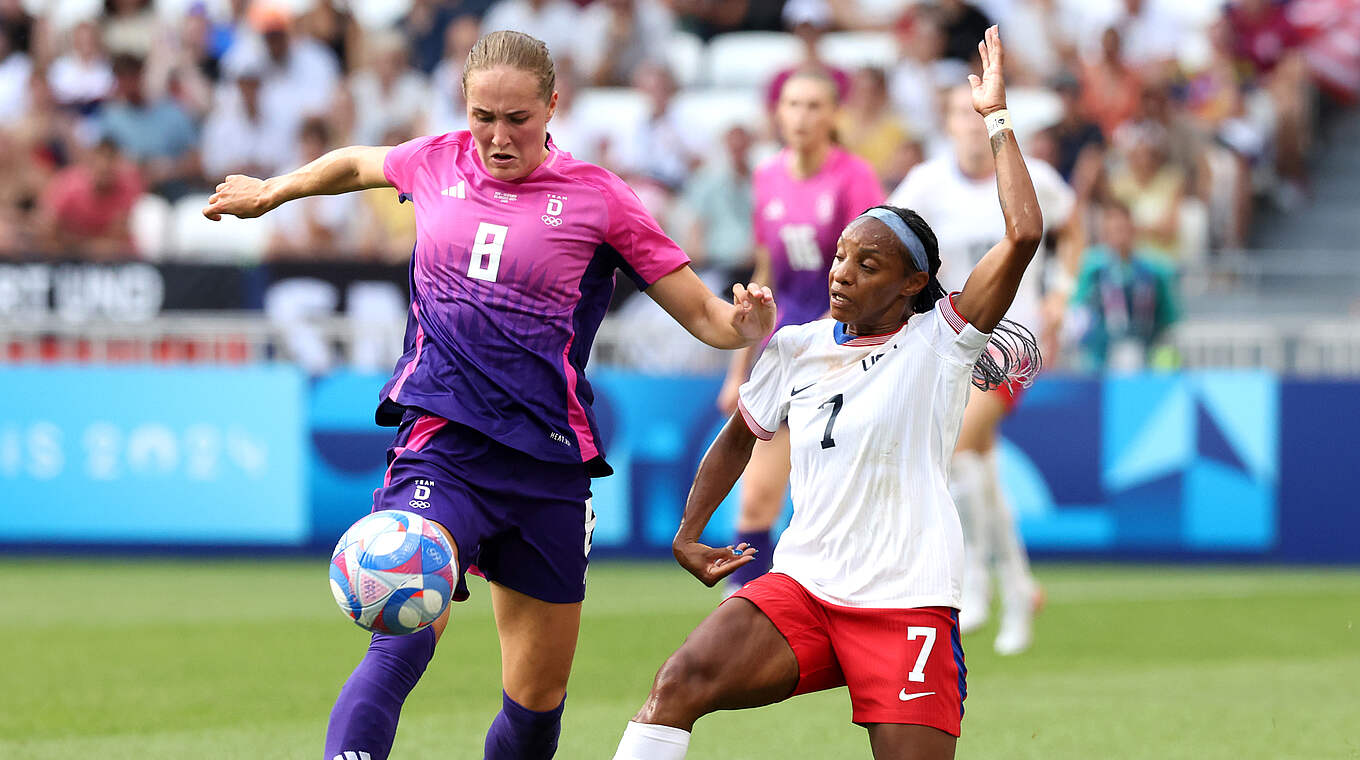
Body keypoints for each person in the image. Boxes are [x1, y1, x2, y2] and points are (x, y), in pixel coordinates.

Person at [202, 30, 775, 760]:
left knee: (535, 709)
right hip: (443, 446)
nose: (498, 138)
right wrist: (273, 191)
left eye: (517, 120)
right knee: (398, 630)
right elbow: (354, 162)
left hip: (547, 467)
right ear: (462, 106)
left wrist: (743, 324)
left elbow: (704, 316)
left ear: (552, 107)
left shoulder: (600, 198)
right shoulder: (434, 159)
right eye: (483, 117)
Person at [611, 27, 1042, 760]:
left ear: (910, 284)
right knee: (678, 682)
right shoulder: (795, 346)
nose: (842, 272)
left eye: (867, 264)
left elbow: (1024, 232)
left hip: (906, 601)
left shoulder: (941, 339)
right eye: (841, 255)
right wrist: (689, 530)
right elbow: (741, 435)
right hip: (804, 590)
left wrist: (995, 119)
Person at [889, 81, 1074, 655]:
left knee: (961, 444)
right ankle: (1019, 589)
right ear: (946, 124)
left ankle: (976, 583)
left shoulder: (1031, 174)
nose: (971, 127)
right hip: (953, 340)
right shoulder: (926, 184)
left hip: (1013, 339)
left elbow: (1072, 228)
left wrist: (1063, 290)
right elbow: (889, 238)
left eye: (979, 119)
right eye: (959, 118)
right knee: (978, 466)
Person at [716, 68, 884, 594]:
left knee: (838, 502)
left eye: (814, 106)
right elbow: (765, 275)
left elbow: (874, 271)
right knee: (757, 498)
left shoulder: (854, 178)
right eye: (793, 104)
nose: (802, 116)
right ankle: (742, 612)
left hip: (845, 354)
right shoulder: (767, 177)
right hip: (785, 353)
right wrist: (739, 368)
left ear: (834, 115)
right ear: (778, 113)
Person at [1069, 202, 1179, 370]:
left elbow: (1168, 319)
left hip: (1145, 356)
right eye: (1111, 231)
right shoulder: (1093, 269)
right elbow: (1078, 312)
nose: (1118, 237)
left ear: (1133, 230)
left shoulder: (1155, 270)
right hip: (1100, 361)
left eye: (1121, 229)